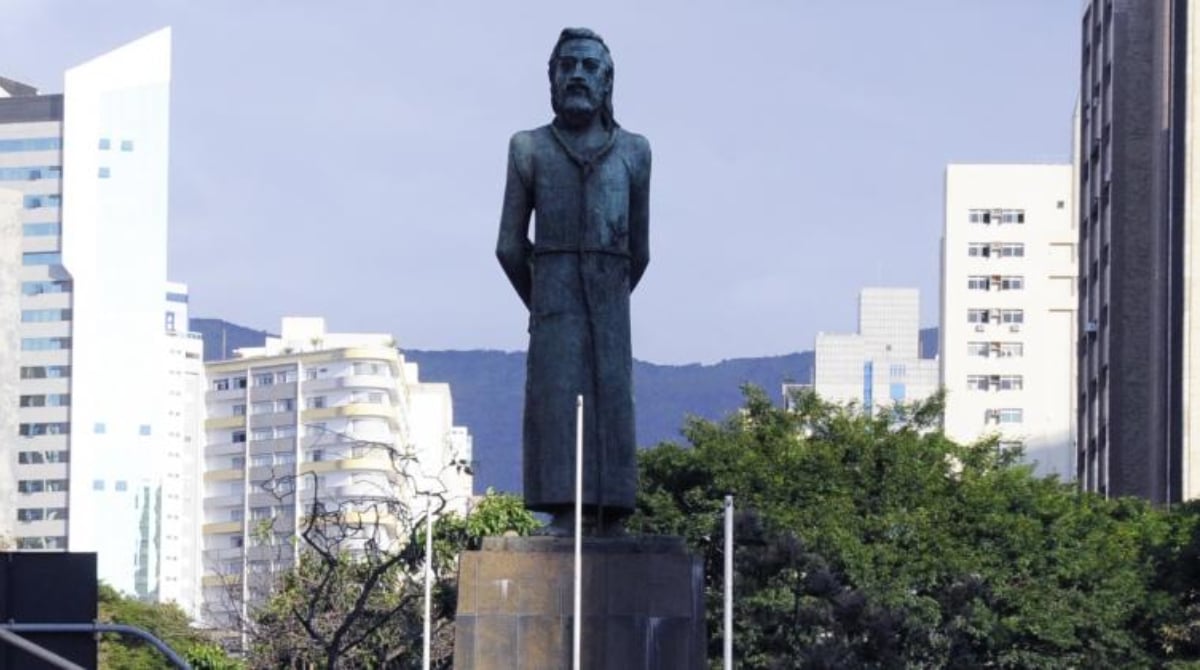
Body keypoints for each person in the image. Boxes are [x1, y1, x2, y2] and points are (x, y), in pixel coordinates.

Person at [496, 27, 651, 534]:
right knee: (555, 400)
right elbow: (509, 245)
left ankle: (612, 511)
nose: (577, 75)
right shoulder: (529, 148)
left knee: (612, 398)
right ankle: (563, 509)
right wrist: (543, 301)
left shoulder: (634, 151)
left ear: (608, 82)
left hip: (610, 301)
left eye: (588, 67)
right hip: (554, 299)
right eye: (567, 66)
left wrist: (608, 298)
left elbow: (641, 251)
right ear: (552, 79)